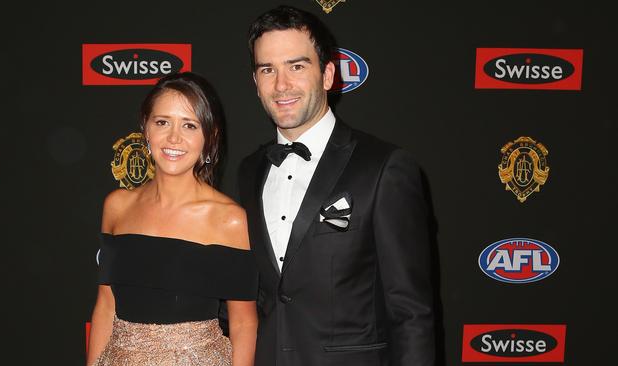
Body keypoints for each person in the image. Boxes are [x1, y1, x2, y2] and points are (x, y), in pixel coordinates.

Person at [238, 5, 436, 366]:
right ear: (256, 83)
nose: (281, 85)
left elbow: (411, 312)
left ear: (328, 75)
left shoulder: (384, 168)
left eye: (297, 66)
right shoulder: (249, 171)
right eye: (268, 70)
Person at [87, 72, 258, 366]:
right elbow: (105, 305)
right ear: (146, 129)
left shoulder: (228, 219)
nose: (174, 138)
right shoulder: (117, 206)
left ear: (210, 137)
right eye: (162, 122)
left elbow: (244, 324)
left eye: (189, 125)